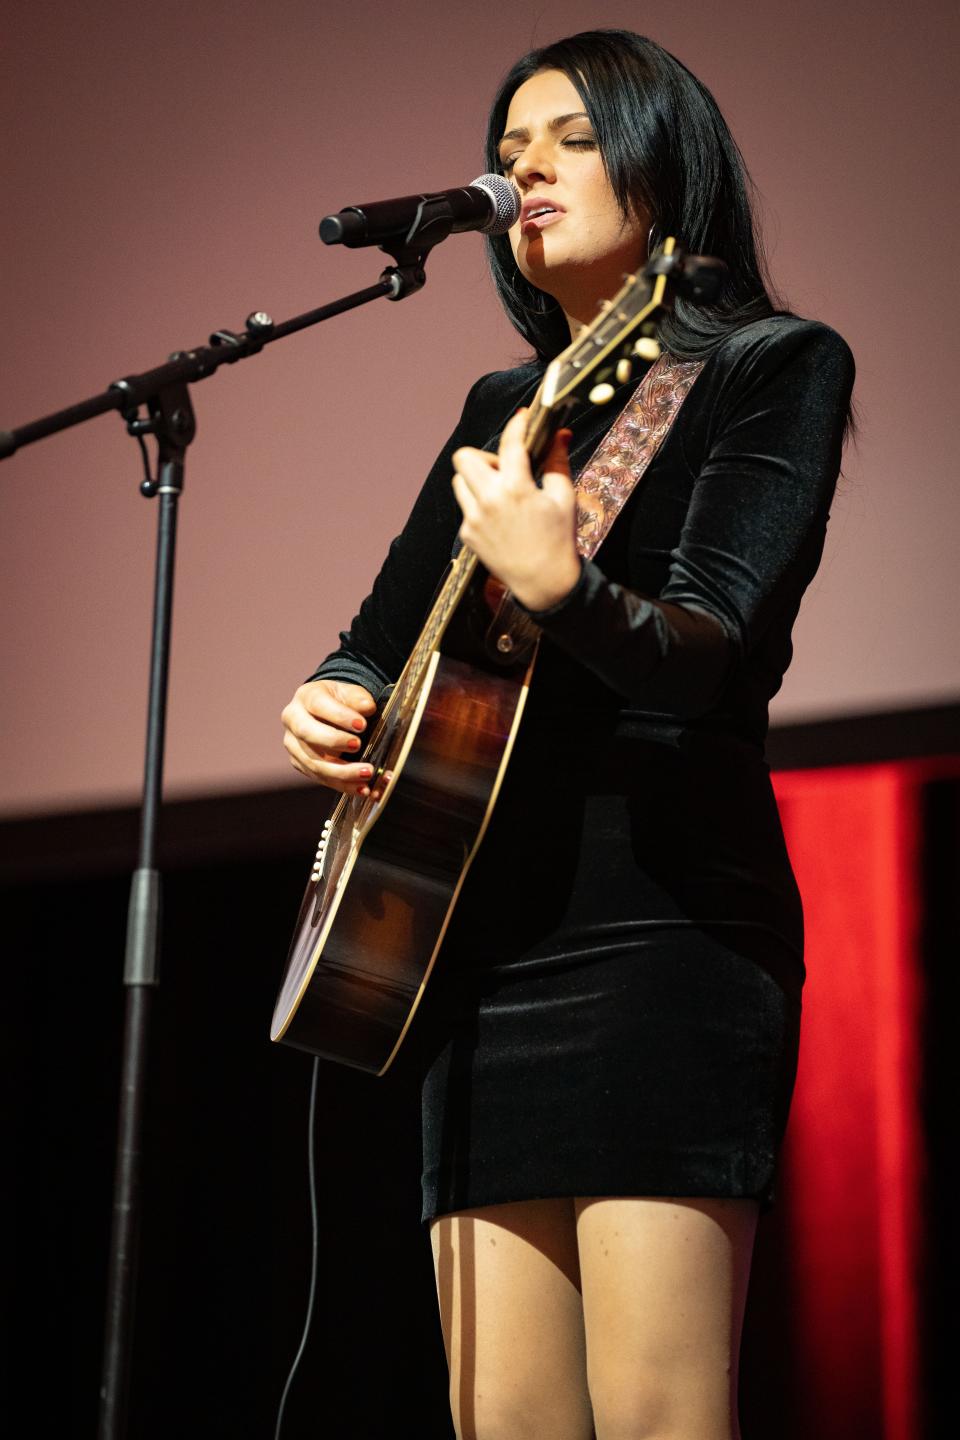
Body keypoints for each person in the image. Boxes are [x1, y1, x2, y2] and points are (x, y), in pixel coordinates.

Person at [280, 29, 854, 1440]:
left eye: (572, 138)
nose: (524, 167)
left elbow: (705, 658)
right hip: (470, 948)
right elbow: (381, 633)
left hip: (662, 934)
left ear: (667, 164)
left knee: (660, 1414)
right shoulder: (504, 408)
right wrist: (333, 696)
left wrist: (565, 589)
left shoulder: (767, 366)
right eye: (511, 144)